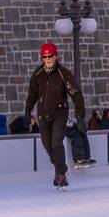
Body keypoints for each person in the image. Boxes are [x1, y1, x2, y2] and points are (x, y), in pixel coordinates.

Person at [25, 42, 86, 189]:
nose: (47, 59)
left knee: (56, 142)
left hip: (59, 114)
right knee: (47, 145)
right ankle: (62, 167)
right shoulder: (38, 74)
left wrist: (80, 115)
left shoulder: (63, 74)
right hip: (43, 114)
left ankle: (60, 175)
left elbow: (76, 94)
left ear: (55, 56)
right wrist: (27, 113)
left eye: (49, 56)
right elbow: (32, 95)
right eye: (44, 57)